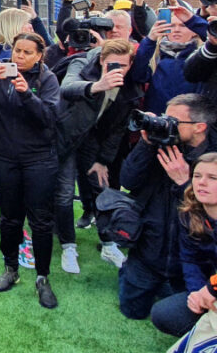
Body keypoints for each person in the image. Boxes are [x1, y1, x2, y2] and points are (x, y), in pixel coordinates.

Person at [0, 32, 61, 308]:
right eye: (16, 51)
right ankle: (11, 268)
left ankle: (42, 277)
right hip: (5, 159)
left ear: (39, 56)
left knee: (41, 220)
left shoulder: (48, 80)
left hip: (39, 159)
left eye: (26, 52)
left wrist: (26, 95)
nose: (19, 57)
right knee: (10, 219)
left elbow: (49, 119)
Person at [119, 93, 217, 321]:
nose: (165, 123)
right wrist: (145, 144)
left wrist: (186, 183)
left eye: (173, 121)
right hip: (149, 250)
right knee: (132, 311)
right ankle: (130, 271)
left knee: (173, 314)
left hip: (195, 259)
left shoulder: (213, 159)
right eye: (164, 117)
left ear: (199, 127)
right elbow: (127, 180)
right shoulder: (161, 142)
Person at [56, 39, 142, 273]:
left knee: (101, 191)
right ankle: (68, 246)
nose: (117, 70)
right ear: (102, 60)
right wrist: (97, 85)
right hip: (63, 138)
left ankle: (108, 244)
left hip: (90, 141)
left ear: (131, 64)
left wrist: (102, 160)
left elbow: (117, 130)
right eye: (112, 64)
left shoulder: (129, 88)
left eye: (123, 65)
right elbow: (67, 87)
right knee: (63, 194)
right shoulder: (83, 64)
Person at [151, 153, 217, 337]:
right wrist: (197, 296)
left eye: (212, 178)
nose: (201, 182)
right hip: (208, 289)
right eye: (197, 176)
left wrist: (211, 291)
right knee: (163, 314)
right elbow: (190, 259)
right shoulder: (189, 214)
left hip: (214, 287)